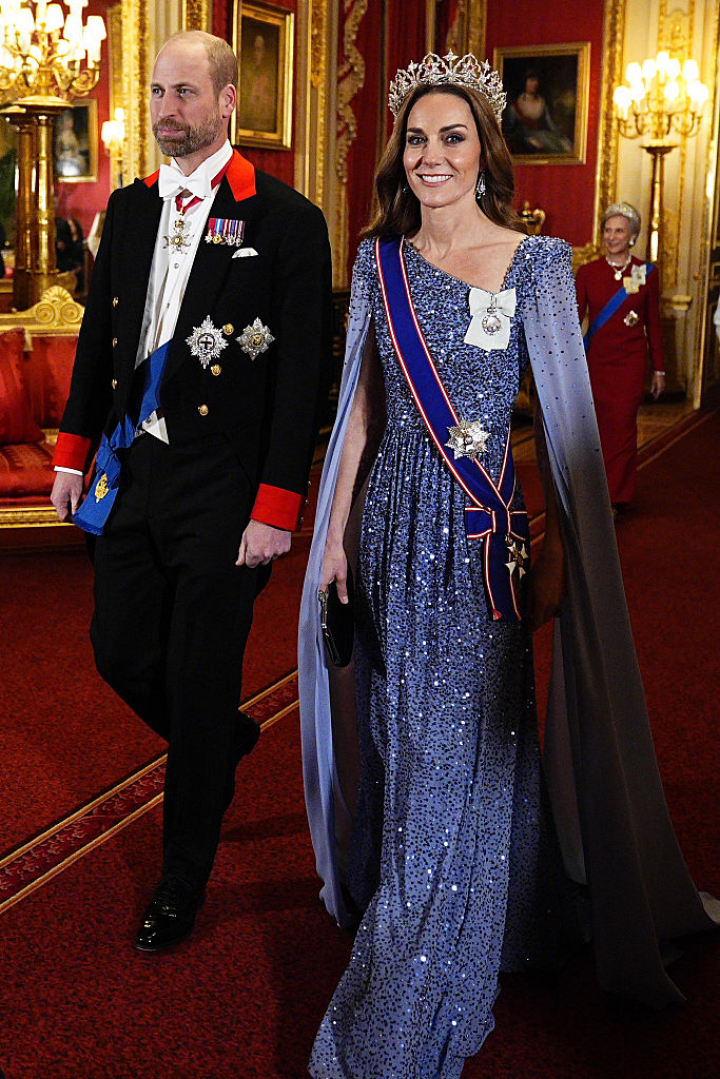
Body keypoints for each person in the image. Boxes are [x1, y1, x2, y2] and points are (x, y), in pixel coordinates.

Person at [298, 51, 718, 1079]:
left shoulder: (535, 262)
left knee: (470, 728)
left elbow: (571, 428)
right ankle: (515, 902)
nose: (433, 155)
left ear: (486, 148)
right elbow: (356, 414)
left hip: (483, 535)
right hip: (392, 528)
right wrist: (334, 534)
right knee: (409, 729)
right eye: (417, 138)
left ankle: (417, 962)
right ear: (399, 155)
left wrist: (572, 549)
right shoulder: (377, 261)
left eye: (454, 136)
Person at [51, 30, 332, 952]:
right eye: (159, 92)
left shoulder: (285, 220)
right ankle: (221, 743)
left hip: (225, 485)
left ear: (226, 101)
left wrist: (275, 505)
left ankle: (181, 881)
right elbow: (103, 338)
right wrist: (70, 454)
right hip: (131, 471)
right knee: (117, 647)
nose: (168, 109)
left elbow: (303, 381)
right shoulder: (129, 212)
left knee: (202, 672)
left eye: (185, 93)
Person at [576, 202, 665, 512]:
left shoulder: (645, 273)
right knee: (595, 430)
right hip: (596, 363)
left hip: (629, 365)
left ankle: (615, 497)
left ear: (632, 237)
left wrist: (660, 370)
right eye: (607, 230)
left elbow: (653, 322)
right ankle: (592, 493)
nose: (611, 236)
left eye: (619, 231)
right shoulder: (588, 272)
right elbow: (575, 321)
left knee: (622, 429)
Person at [502, 69, 572, 155]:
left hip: (543, 136)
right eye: (531, 80)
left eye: (536, 81)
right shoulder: (516, 107)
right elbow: (510, 131)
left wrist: (562, 139)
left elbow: (551, 125)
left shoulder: (541, 103)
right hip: (525, 141)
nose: (534, 84)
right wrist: (527, 139)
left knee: (561, 147)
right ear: (525, 83)